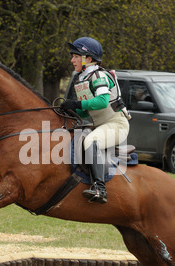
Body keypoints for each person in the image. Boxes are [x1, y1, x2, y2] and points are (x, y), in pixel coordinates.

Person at [61, 37, 130, 204]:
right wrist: (70, 109)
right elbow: (88, 112)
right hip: (100, 124)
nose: (72, 60)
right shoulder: (84, 78)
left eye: (76, 56)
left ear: (88, 59)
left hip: (116, 124)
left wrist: (77, 103)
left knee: (91, 141)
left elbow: (102, 102)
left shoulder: (98, 75)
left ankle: (100, 189)